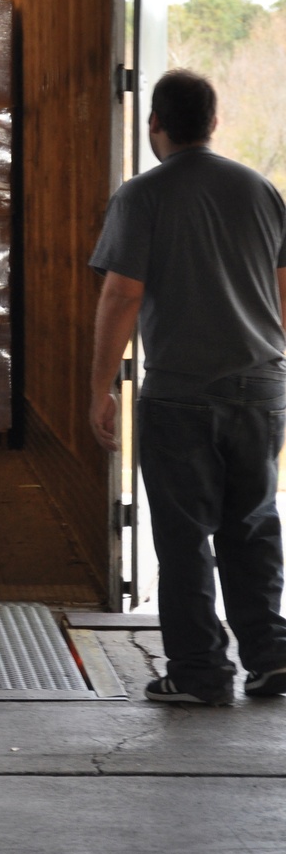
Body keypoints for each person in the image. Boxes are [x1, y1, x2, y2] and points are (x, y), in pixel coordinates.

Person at [89, 69, 286, 705]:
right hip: (262, 386)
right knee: (252, 525)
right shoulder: (260, 190)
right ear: (213, 122)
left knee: (183, 537)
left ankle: (200, 674)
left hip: (180, 392)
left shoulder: (141, 195)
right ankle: (271, 659)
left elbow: (122, 294)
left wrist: (100, 387)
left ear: (155, 123)